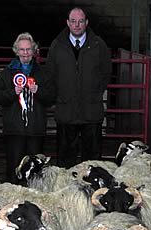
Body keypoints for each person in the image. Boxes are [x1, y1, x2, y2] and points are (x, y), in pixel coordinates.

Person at [46, 7, 112, 168]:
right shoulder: (57, 46)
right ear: (67, 23)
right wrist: (61, 96)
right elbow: (50, 73)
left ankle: (92, 192)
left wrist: (94, 94)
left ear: (86, 23)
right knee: (65, 158)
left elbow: (106, 72)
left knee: (93, 160)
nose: (77, 25)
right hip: (66, 111)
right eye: (73, 21)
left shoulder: (98, 45)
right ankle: (67, 192)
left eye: (81, 21)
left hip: (91, 112)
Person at [0, 32, 55, 184]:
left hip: (36, 130)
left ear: (34, 51)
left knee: (36, 170)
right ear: (16, 51)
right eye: (22, 50)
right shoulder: (6, 75)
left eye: (28, 49)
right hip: (14, 130)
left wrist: (38, 91)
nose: (25, 53)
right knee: (14, 169)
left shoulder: (44, 73)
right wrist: (12, 93)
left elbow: (52, 97)